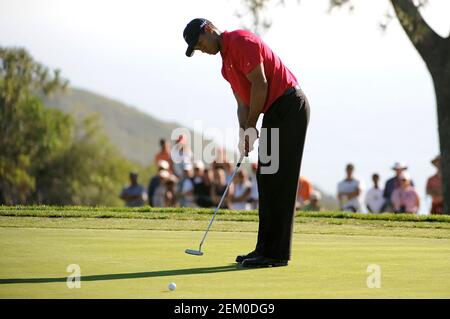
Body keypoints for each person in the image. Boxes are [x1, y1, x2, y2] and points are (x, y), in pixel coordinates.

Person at [184, 18, 310, 267]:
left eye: (200, 44)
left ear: (209, 30)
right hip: (275, 111)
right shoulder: (225, 66)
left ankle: (277, 254)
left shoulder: (241, 41)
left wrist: (252, 124)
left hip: (290, 106)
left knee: (279, 180)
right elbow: (243, 103)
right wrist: (245, 132)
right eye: (198, 49)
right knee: (266, 177)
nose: (203, 50)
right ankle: (264, 248)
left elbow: (261, 84)